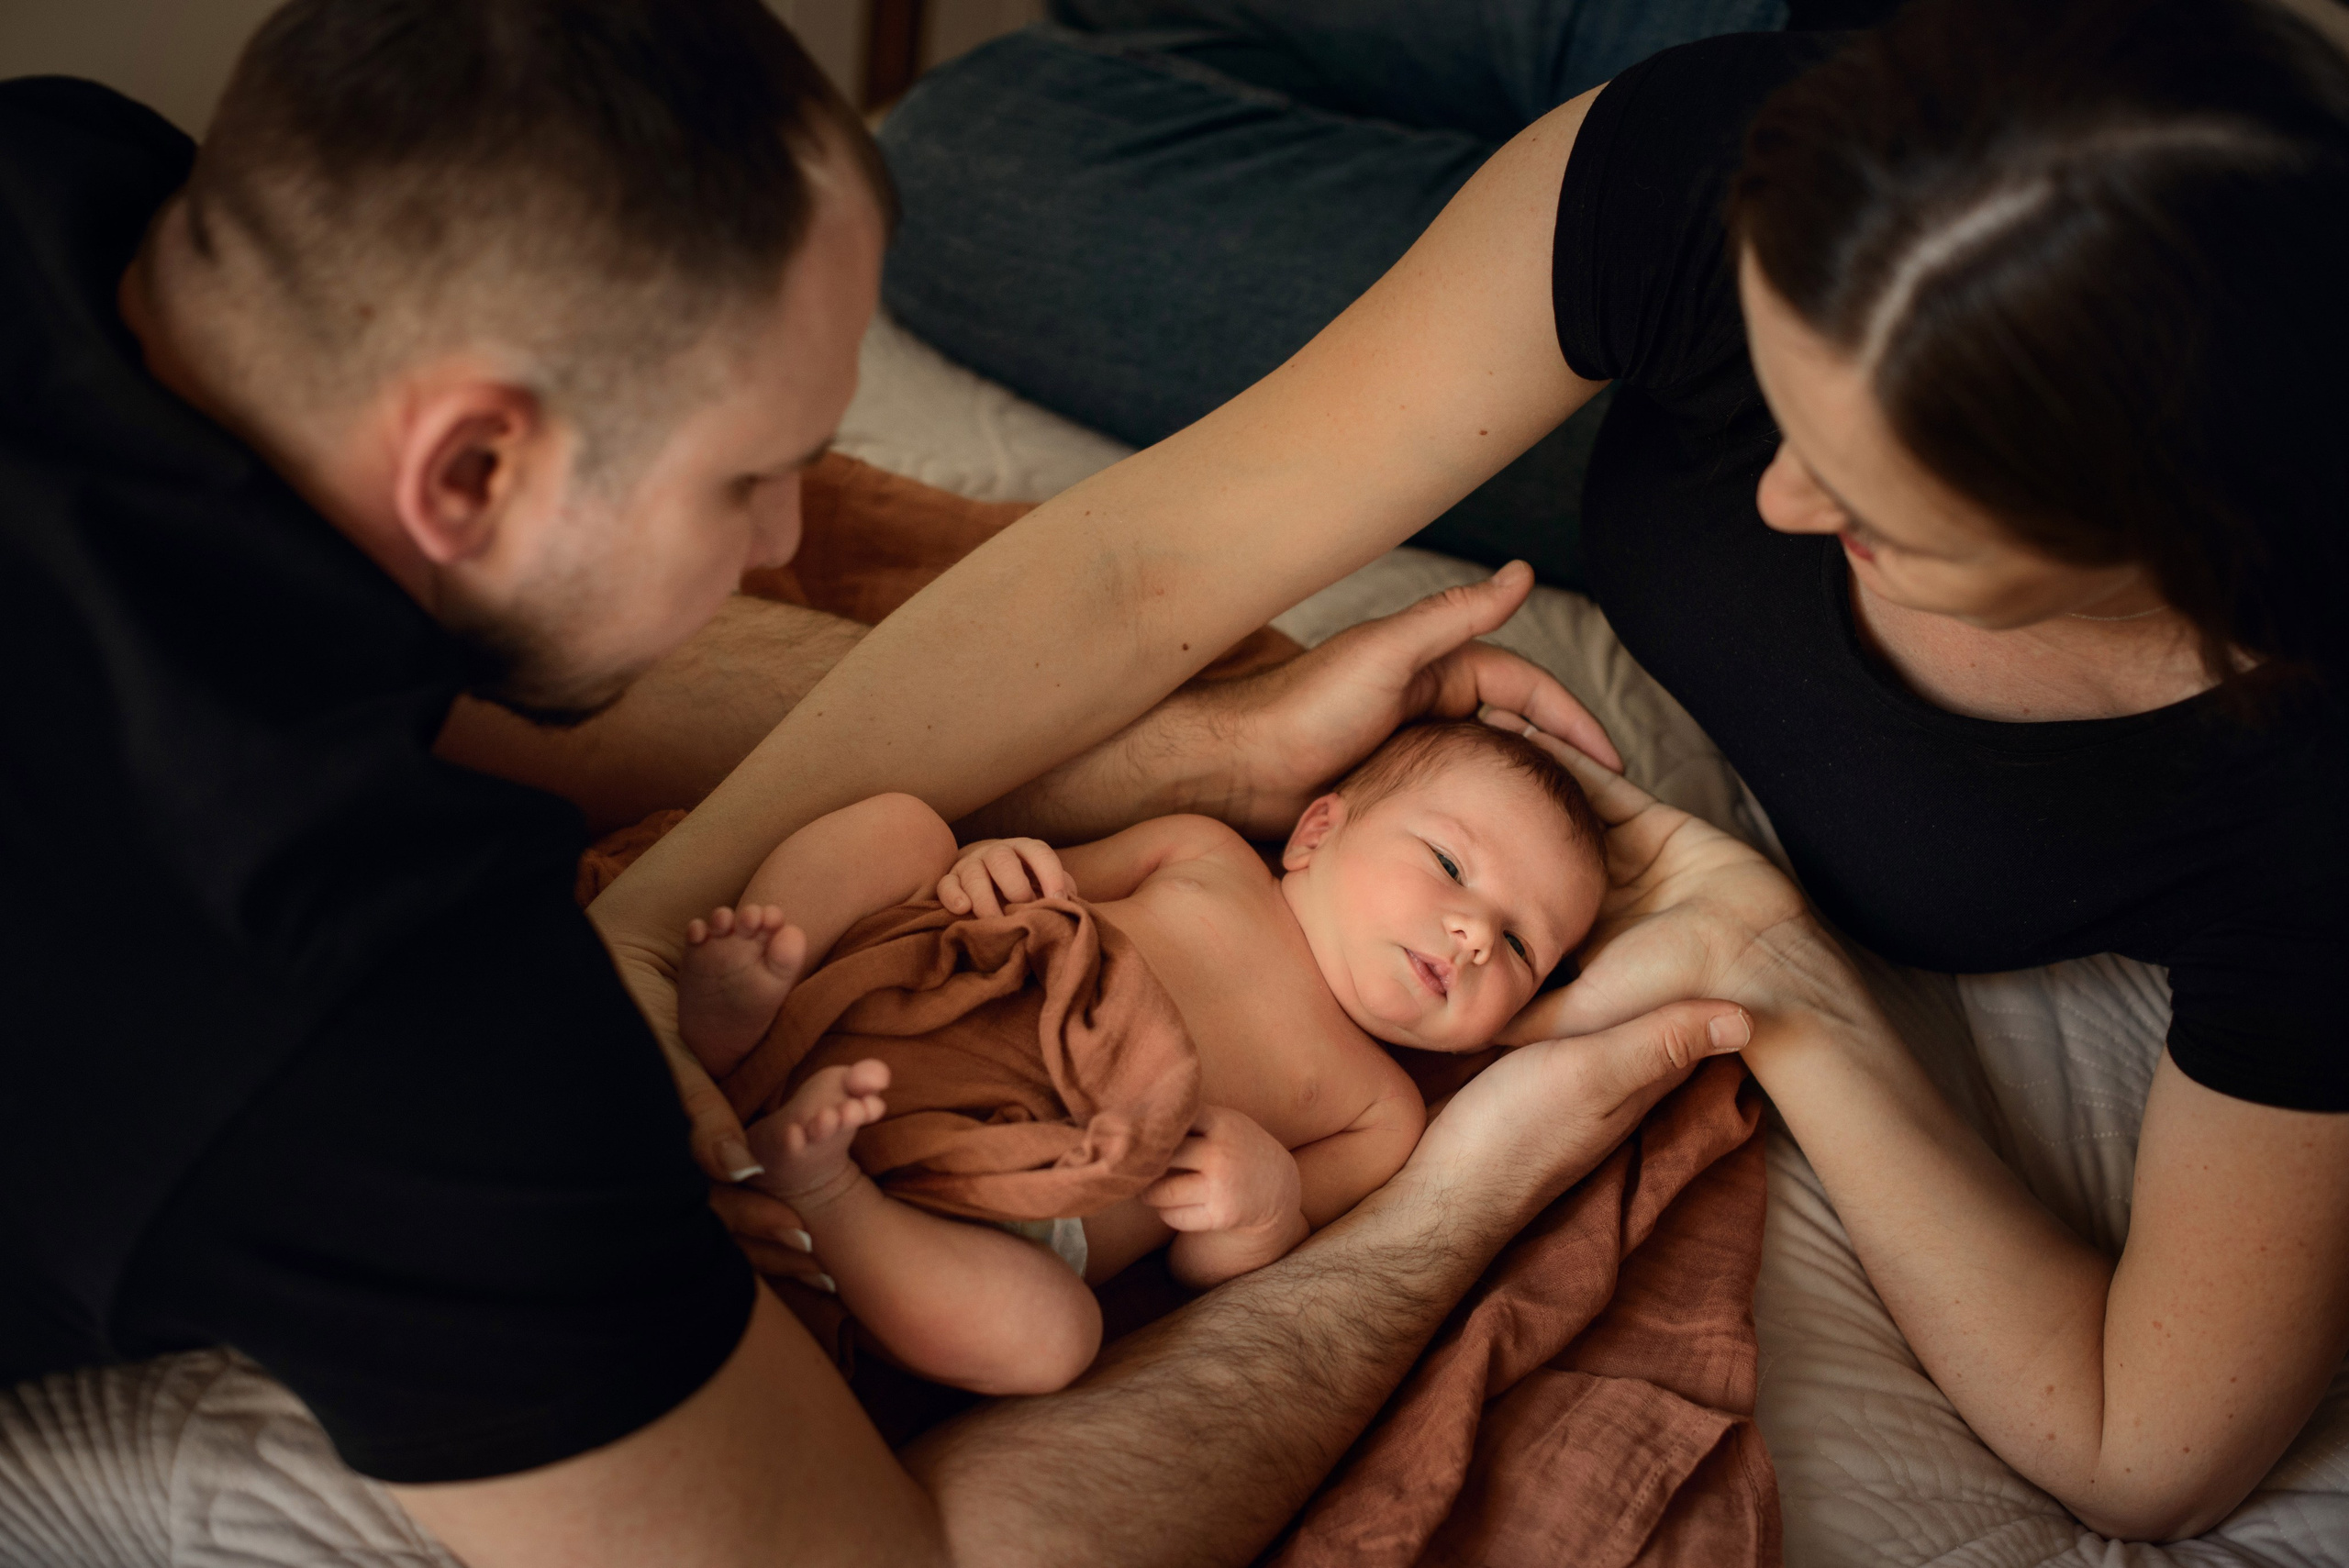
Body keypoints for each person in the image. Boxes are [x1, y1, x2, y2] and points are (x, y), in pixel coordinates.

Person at [1, 0, 1757, 1562]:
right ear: (468, 464)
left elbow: (424, 661)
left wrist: (1188, 749)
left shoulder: (75, 181)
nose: (793, 539)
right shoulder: (374, 1014)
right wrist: (1464, 1193)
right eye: (753, 480)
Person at [590, 0, 2349, 1543]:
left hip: (1666, 340)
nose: (1777, 504)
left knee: (991, 159)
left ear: (2172, 549)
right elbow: (1142, 576)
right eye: (1785, 406)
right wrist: (660, 932)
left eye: (1873, 511)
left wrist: (1789, 989)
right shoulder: (1736, 186)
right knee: (983, 138)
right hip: (1698, 82)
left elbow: (2145, 1445)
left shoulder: (2307, 788)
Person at [674, 719, 1607, 1396]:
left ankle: (826, 1195)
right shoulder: (1205, 852)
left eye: (1522, 946)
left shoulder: (1381, 1110)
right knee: (902, 828)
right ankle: (751, 1003)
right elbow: (1047, 875)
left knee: (1055, 1338)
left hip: (999, 1197)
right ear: (1319, 832)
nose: (1473, 933)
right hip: (930, 992)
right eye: (1450, 866)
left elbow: (1226, 1266)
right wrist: (987, 865)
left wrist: (1260, 1201)